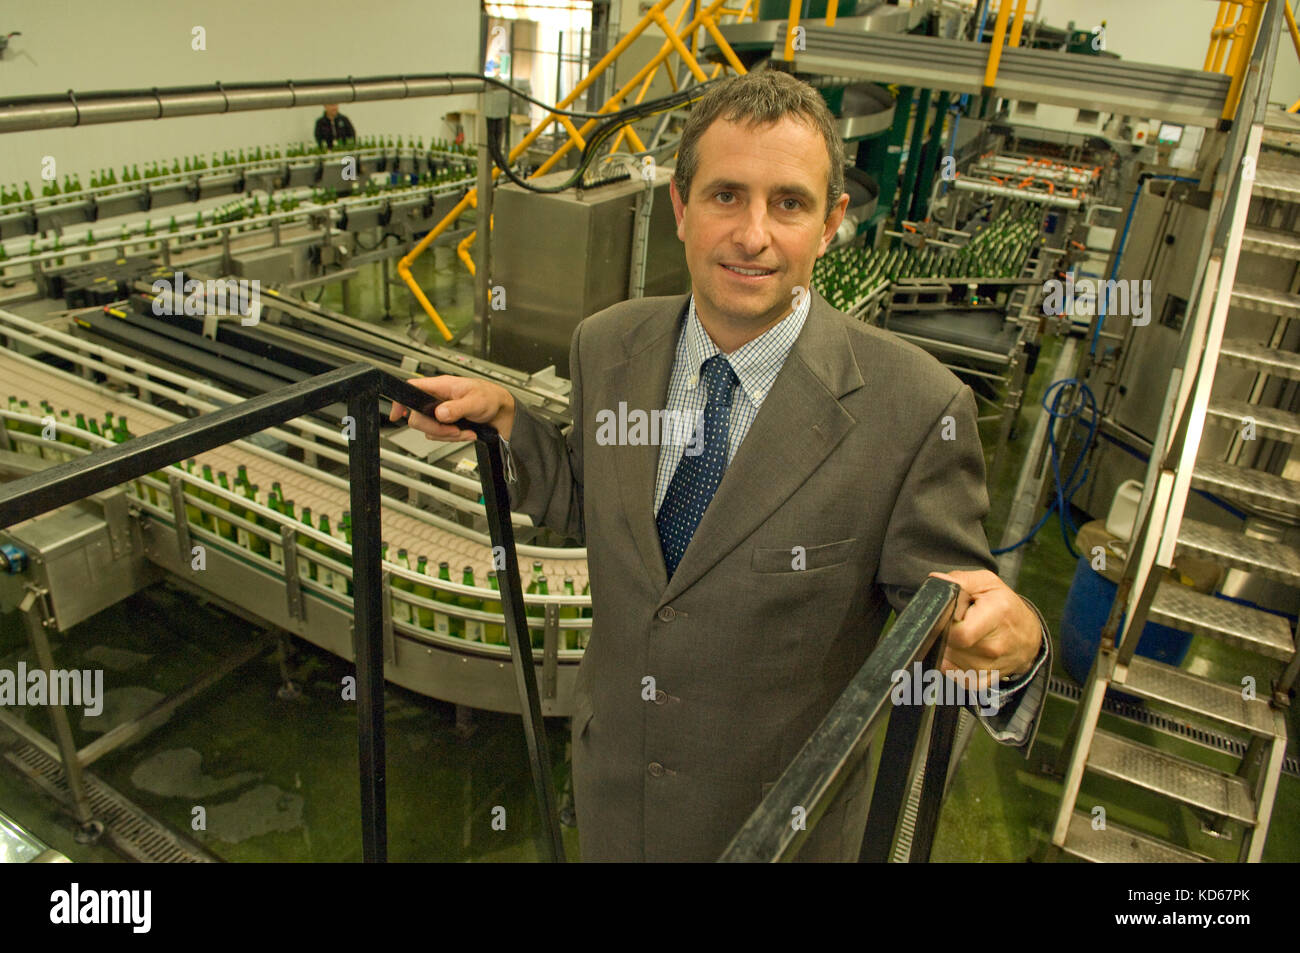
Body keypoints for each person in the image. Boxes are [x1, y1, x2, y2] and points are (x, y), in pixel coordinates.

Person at [390, 69, 1051, 863]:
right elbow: (592, 505)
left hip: (777, 834)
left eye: (790, 203)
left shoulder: (913, 411)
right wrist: (508, 423)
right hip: (614, 799)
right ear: (679, 207)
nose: (753, 235)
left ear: (833, 221)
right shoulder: (609, 345)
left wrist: (1018, 648)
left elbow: (952, 625)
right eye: (726, 195)